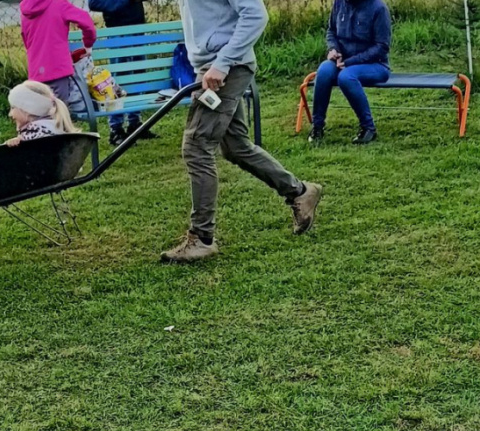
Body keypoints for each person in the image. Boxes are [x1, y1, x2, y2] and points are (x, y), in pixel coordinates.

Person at [161, 0, 323, 263]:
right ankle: (300, 192)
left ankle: (201, 239)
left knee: (197, 146)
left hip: (225, 68)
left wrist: (222, 62)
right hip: (212, 67)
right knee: (235, 146)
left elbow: (256, 15)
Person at [308, 0, 392, 145]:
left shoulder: (379, 8)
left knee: (346, 77)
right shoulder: (339, 3)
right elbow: (331, 31)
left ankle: (368, 128)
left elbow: (382, 47)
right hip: (342, 60)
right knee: (323, 70)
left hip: (375, 64)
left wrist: (350, 62)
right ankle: (317, 126)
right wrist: (333, 49)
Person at [89, 0, 158, 146]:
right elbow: (94, 3)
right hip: (116, 32)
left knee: (138, 76)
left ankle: (135, 124)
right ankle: (116, 129)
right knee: (117, 81)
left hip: (138, 29)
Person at [20, 0, 97, 104]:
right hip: (57, 68)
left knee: (41, 112)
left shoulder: (25, 9)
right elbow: (85, 20)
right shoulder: (58, 4)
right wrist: (88, 44)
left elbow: (25, 38)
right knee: (60, 110)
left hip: (36, 72)